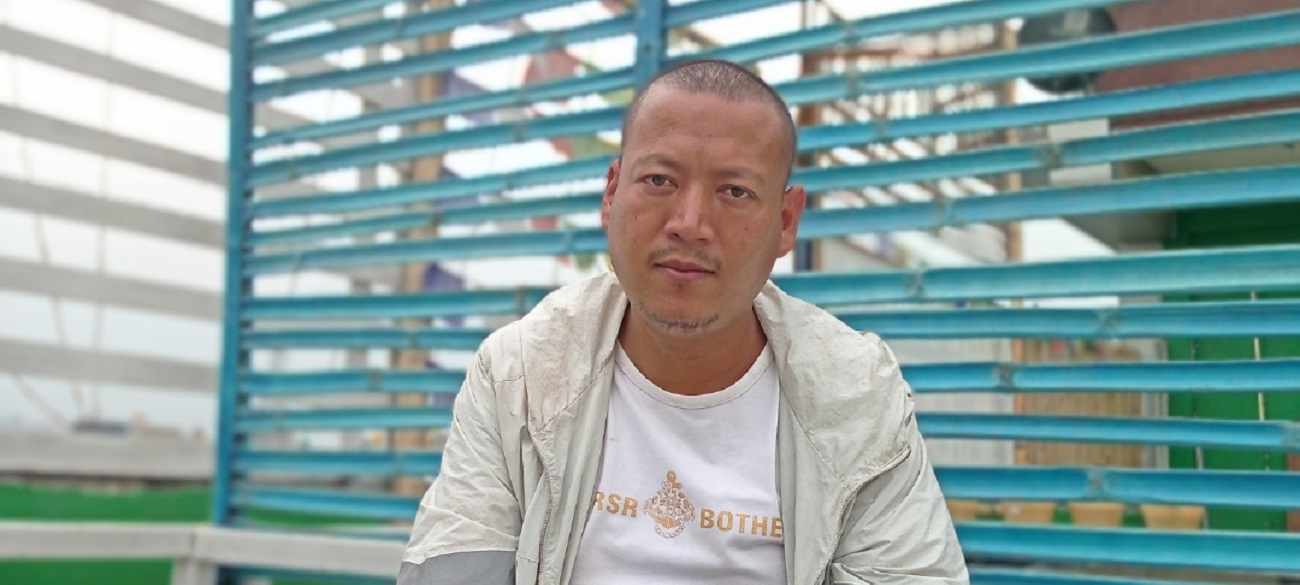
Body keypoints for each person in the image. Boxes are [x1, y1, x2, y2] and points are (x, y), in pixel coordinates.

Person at [399, 59, 968, 585]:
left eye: (735, 191)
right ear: (611, 194)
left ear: (786, 222)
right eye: (659, 181)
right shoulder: (519, 376)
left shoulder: (856, 397)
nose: (690, 223)